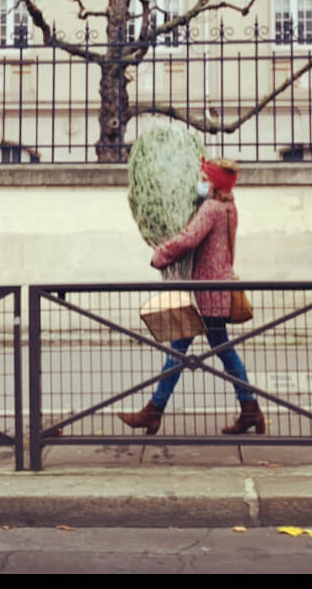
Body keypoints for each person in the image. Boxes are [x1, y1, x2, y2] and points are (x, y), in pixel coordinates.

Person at [118, 156, 264, 436]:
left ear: (215, 184)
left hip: (207, 293)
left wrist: (161, 254)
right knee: (217, 351)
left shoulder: (211, 208)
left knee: (182, 351)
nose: (201, 183)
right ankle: (249, 409)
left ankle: (154, 412)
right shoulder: (229, 207)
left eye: (205, 179)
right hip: (217, 290)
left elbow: (189, 238)